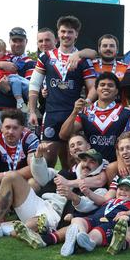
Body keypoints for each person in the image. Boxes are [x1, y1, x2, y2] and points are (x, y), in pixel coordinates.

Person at [60, 132, 130, 255]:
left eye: (129, 148)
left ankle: (83, 240)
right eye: (121, 149)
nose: (125, 152)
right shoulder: (121, 176)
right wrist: (87, 192)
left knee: (126, 230)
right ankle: (80, 236)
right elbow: (105, 199)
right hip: (112, 213)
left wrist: (129, 213)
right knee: (78, 220)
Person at [28, 16, 97, 169]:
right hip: (51, 114)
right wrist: (32, 111)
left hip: (73, 116)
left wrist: (87, 102)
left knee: (71, 162)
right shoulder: (45, 57)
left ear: (76, 34)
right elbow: (34, 84)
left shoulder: (83, 59)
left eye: (70, 32)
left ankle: (70, 191)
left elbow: (93, 87)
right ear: (58, 33)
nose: (66, 35)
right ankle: (47, 192)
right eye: (63, 31)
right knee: (47, 160)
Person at [59, 176, 130, 256]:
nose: (122, 192)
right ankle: (80, 235)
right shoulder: (109, 200)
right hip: (95, 218)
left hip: (109, 224)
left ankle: (88, 241)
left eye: (127, 190)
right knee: (77, 220)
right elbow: (93, 210)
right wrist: (73, 215)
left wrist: (127, 217)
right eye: (120, 189)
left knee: (96, 232)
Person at [59, 72, 130, 162]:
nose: (106, 87)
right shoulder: (85, 112)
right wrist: (74, 112)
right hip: (90, 165)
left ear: (116, 91)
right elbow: (63, 135)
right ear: (96, 89)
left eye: (110, 85)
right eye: (102, 85)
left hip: (116, 165)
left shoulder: (126, 113)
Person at [0, 27, 36, 128]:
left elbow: (29, 90)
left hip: (16, 113)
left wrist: (7, 89)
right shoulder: (0, 54)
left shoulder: (29, 62)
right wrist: (1, 64)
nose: (17, 44)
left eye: (20, 41)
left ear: (26, 42)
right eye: (14, 40)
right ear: (9, 41)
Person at [0, 109, 39, 214]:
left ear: (22, 128)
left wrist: (5, 175)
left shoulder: (30, 139)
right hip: (2, 182)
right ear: (1, 128)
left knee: (33, 183)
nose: (10, 132)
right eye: (7, 127)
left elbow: (33, 170)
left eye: (15, 128)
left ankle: (22, 212)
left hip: (24, 180)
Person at [0, 39, 30, 111]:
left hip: (11, 78)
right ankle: (19, 101)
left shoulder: (9, 57)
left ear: (4, 51)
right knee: (16, 81)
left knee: (27, 84)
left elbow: (20, 62)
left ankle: (32, 105)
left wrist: (16, 66)